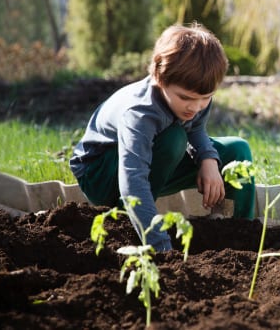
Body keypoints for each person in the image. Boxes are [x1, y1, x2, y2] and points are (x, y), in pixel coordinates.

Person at [69, 24, 256, 252]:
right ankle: (126, 223)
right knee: (174, 139)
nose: (195, 107)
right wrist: (162, 249)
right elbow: (133, 182)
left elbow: (195, 128)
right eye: (186, 98)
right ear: (159, 76)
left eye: (205, 98)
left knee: (238, 150)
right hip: (102, 174)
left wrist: (208, 159)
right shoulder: (140, 113)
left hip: (151, 161)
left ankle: (244, 237)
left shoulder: (196, 95)